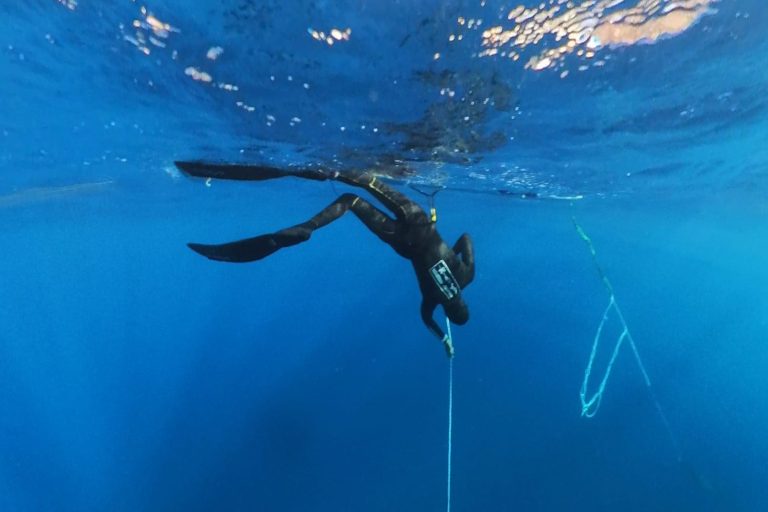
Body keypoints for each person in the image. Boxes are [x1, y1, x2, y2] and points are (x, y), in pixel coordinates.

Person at [175, 161, 475, 357]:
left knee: (363, 180)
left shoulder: (466, 276)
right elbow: (426, 319)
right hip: (404, 242)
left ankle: (315, 168)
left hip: (420, 222)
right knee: (350, 202)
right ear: (450, 313)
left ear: (463, 302)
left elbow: (466, 239)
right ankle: (308, 227)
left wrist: (445, 237)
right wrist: (443, 340)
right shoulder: (431, 301)